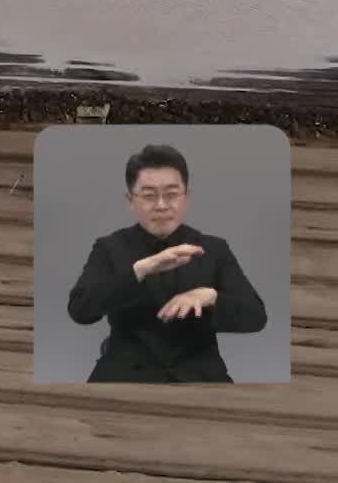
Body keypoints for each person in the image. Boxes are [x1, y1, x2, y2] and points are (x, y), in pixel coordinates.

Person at [67, 143, 267, 382]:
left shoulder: (213, 249)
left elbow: (256, 317)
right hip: (124, 374)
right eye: (149, 196)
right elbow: (80, 311)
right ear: (130, 200)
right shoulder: (109, 248)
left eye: (172, 194)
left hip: (200, 375)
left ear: (187, 198)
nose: (161, 205)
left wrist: (210, 296)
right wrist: (141, 270)